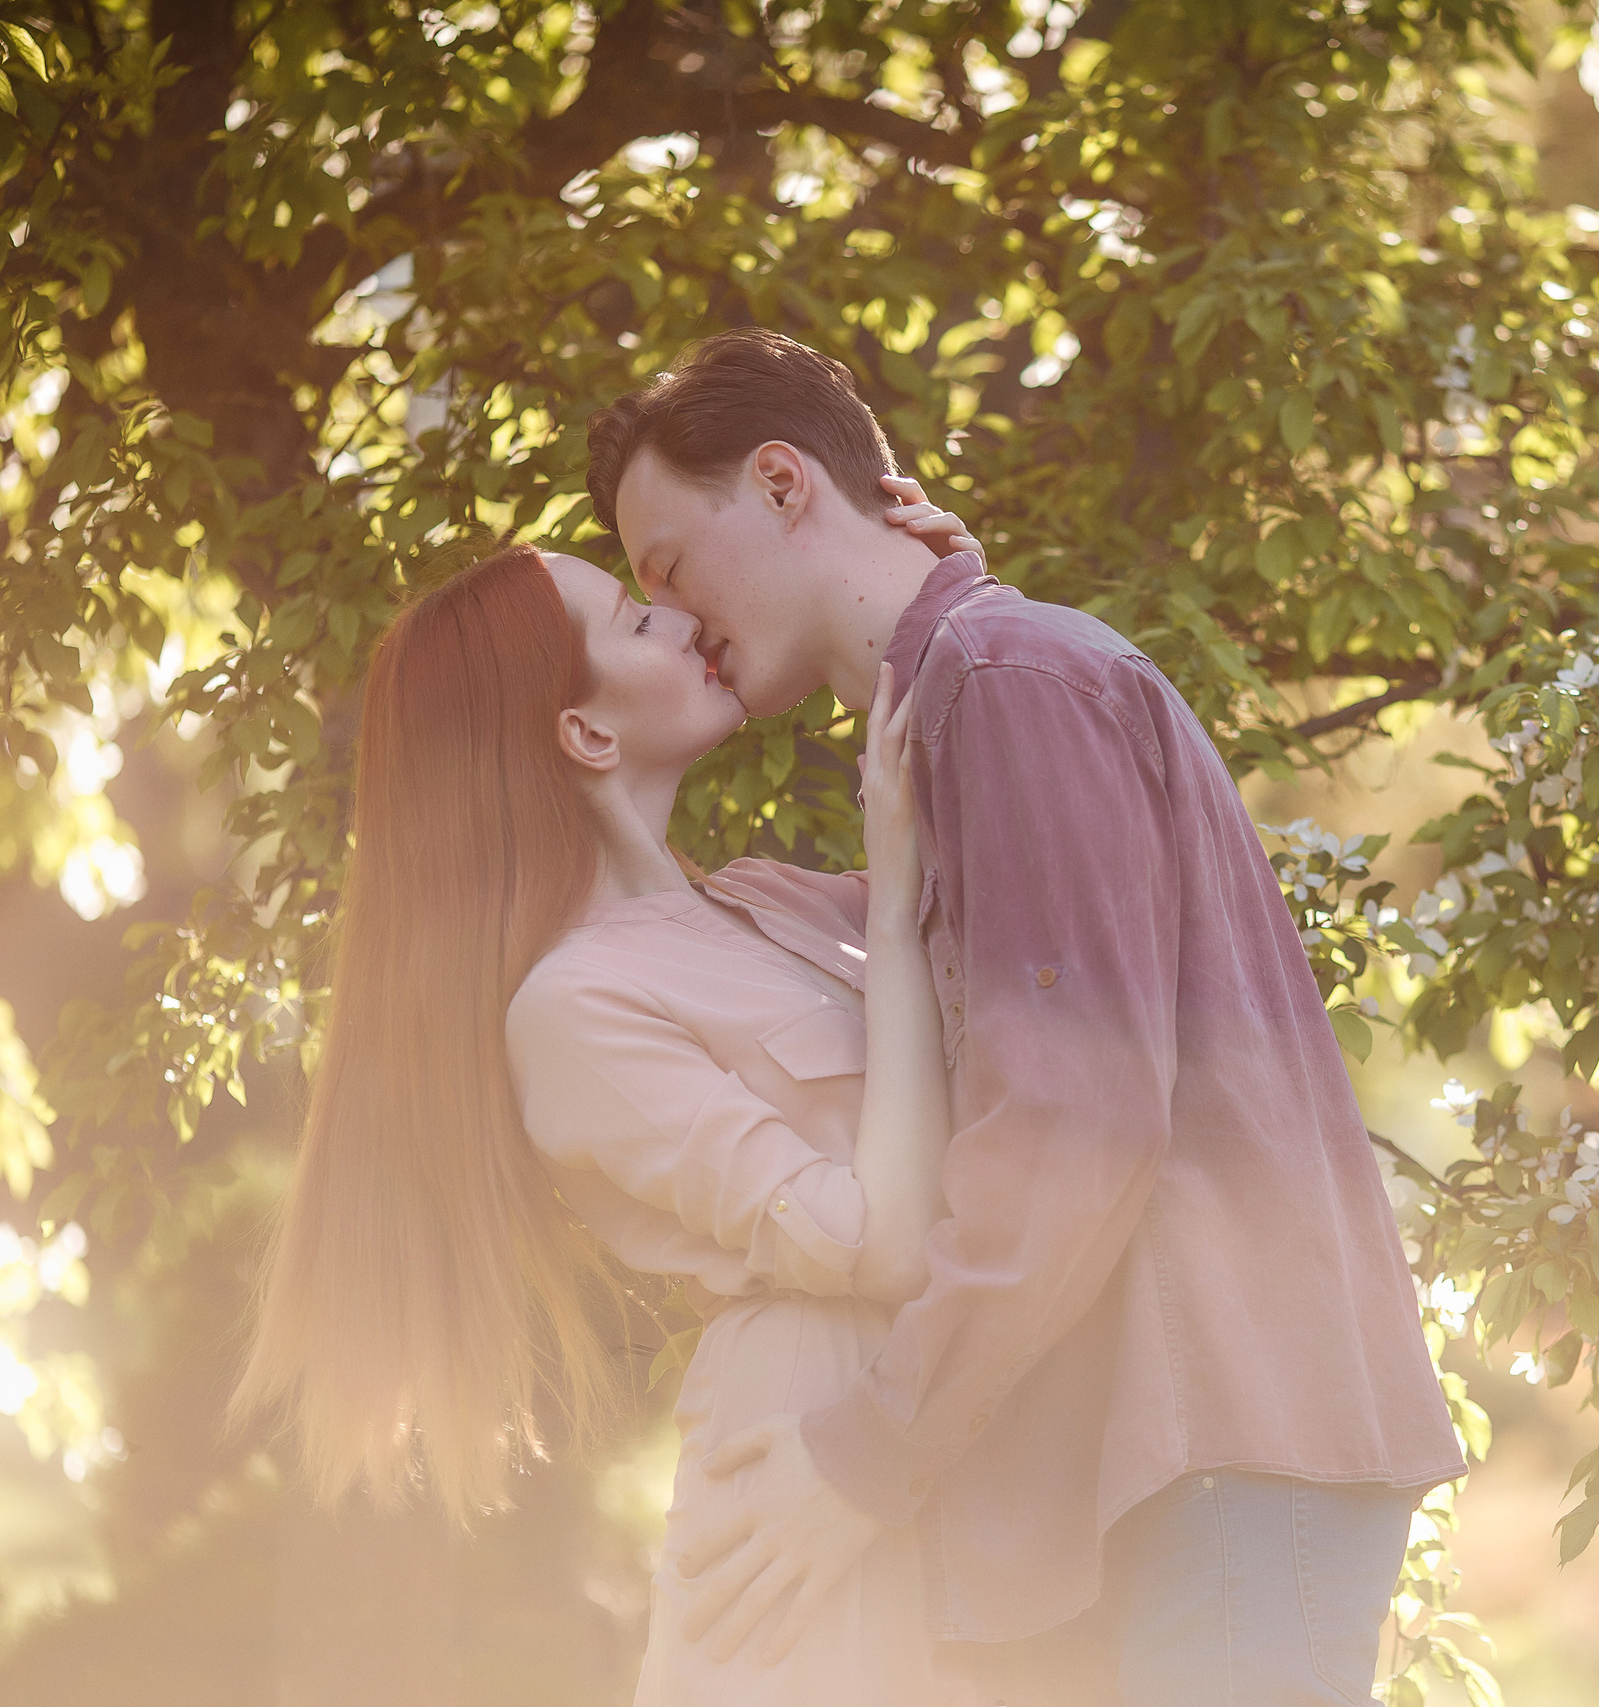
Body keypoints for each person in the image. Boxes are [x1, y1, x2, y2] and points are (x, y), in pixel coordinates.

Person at [589, 328, 1465, 1704]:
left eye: (667, 568)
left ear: (778, 482)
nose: (678, 615)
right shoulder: (969, 699)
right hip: (1172, 1466)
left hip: (1216, 1443)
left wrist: (870, 1453)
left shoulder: (1008, 685)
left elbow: (1074, 1121)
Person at [231, 494, 987, 1702]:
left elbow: (997, 916)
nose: (684, 618)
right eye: (639, 619)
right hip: (796, 1474)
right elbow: (877, 1236)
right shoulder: (572, 1014)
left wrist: (937, 608)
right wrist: (889, 911)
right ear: (584, 736)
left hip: (938, 1447)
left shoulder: (768, 904)